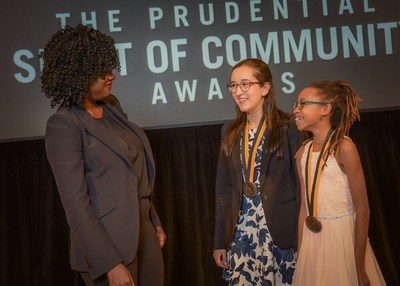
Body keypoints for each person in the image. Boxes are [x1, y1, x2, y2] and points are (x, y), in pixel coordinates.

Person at [40, 24, 166, 286]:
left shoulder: (111, 106)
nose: (112, 76)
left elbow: (131, 172)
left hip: (144, 235)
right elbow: (75, 206)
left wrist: (153, 220)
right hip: (110, 246)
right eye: (102, 71)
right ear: (79, 74)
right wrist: (108, 262)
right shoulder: (64, 125)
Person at [213, 58, 304, 285]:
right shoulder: (229, 131)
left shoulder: (288, 126)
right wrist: (219, 241)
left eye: (245, 84)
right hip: (242, 235)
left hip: (282, 232)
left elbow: (300, 185)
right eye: (233, 85)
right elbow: (223, 191)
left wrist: (302, 237)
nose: (238, 91)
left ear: (265, 88)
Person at [292, 80, 386, 285]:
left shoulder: (344, 148)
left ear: (326, 109)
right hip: (312, 243)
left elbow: (363, 209)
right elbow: (304, 209)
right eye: (296, 104)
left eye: (303, 103)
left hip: (342, 240)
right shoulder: (302, 154)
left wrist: (358, 266)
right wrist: (301, 248)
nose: (296, 109)